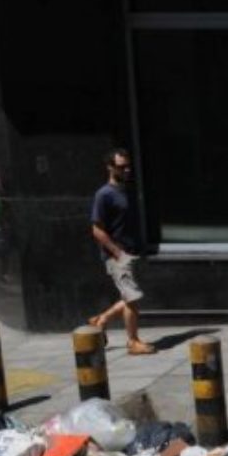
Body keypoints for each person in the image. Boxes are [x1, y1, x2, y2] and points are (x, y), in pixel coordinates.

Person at [88, 148, 156, 355]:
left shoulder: (126, 190)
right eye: (121, 167)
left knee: (130, 296)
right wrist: (117, 253)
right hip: (118, 256)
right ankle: (133, 342)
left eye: (128, 166)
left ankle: (101, 319)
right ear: (110, 167)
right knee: (133, 298)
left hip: (131, 251)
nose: (126, 170)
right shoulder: (104, 194)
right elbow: (96, 230)